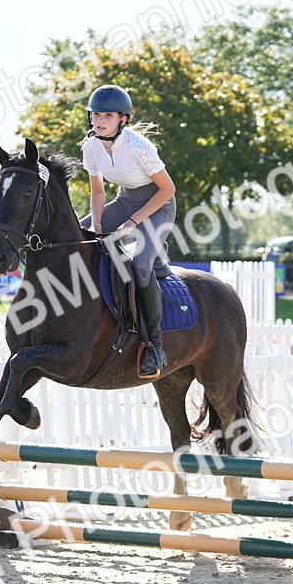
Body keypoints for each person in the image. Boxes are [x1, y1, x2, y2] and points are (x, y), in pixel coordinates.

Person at [77, 84, 177, 378]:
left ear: (123, 119)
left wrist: (133, 223)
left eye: (107, 115)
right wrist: (96, 225)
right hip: (124, 201)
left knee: (141, 264)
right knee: (76, 237)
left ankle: (155, 346)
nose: (99, 121)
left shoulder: (138, 148)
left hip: (158, 206)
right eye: (96, 114)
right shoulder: (92, 147)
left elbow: (167, 189)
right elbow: (98, 193)